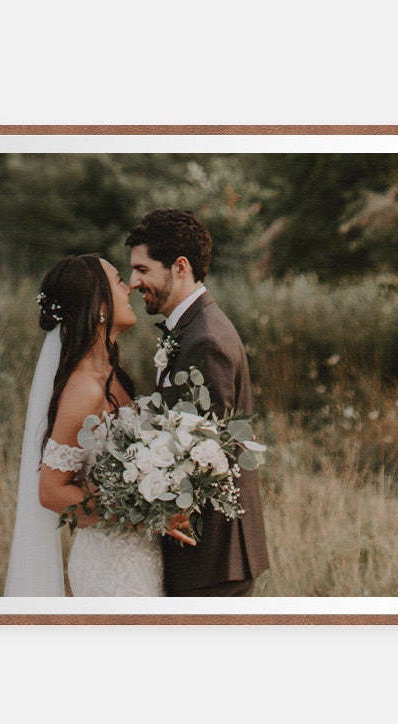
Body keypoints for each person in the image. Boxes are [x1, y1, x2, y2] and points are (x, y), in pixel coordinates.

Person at [4, 253, 173, 596]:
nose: (129, 288)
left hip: (140, 554)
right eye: (117, 281)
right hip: (111, 565)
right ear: (100, 306)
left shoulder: (111, 374)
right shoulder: (84, 389)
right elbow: (51, 492)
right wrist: (137, 510)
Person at [125, 208, 270, 596]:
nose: (134, 282)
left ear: (180, 267)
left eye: (142, 269)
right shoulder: (191, 329)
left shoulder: (204, 340)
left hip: (212, 559)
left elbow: (210, 453)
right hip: (203, 556)